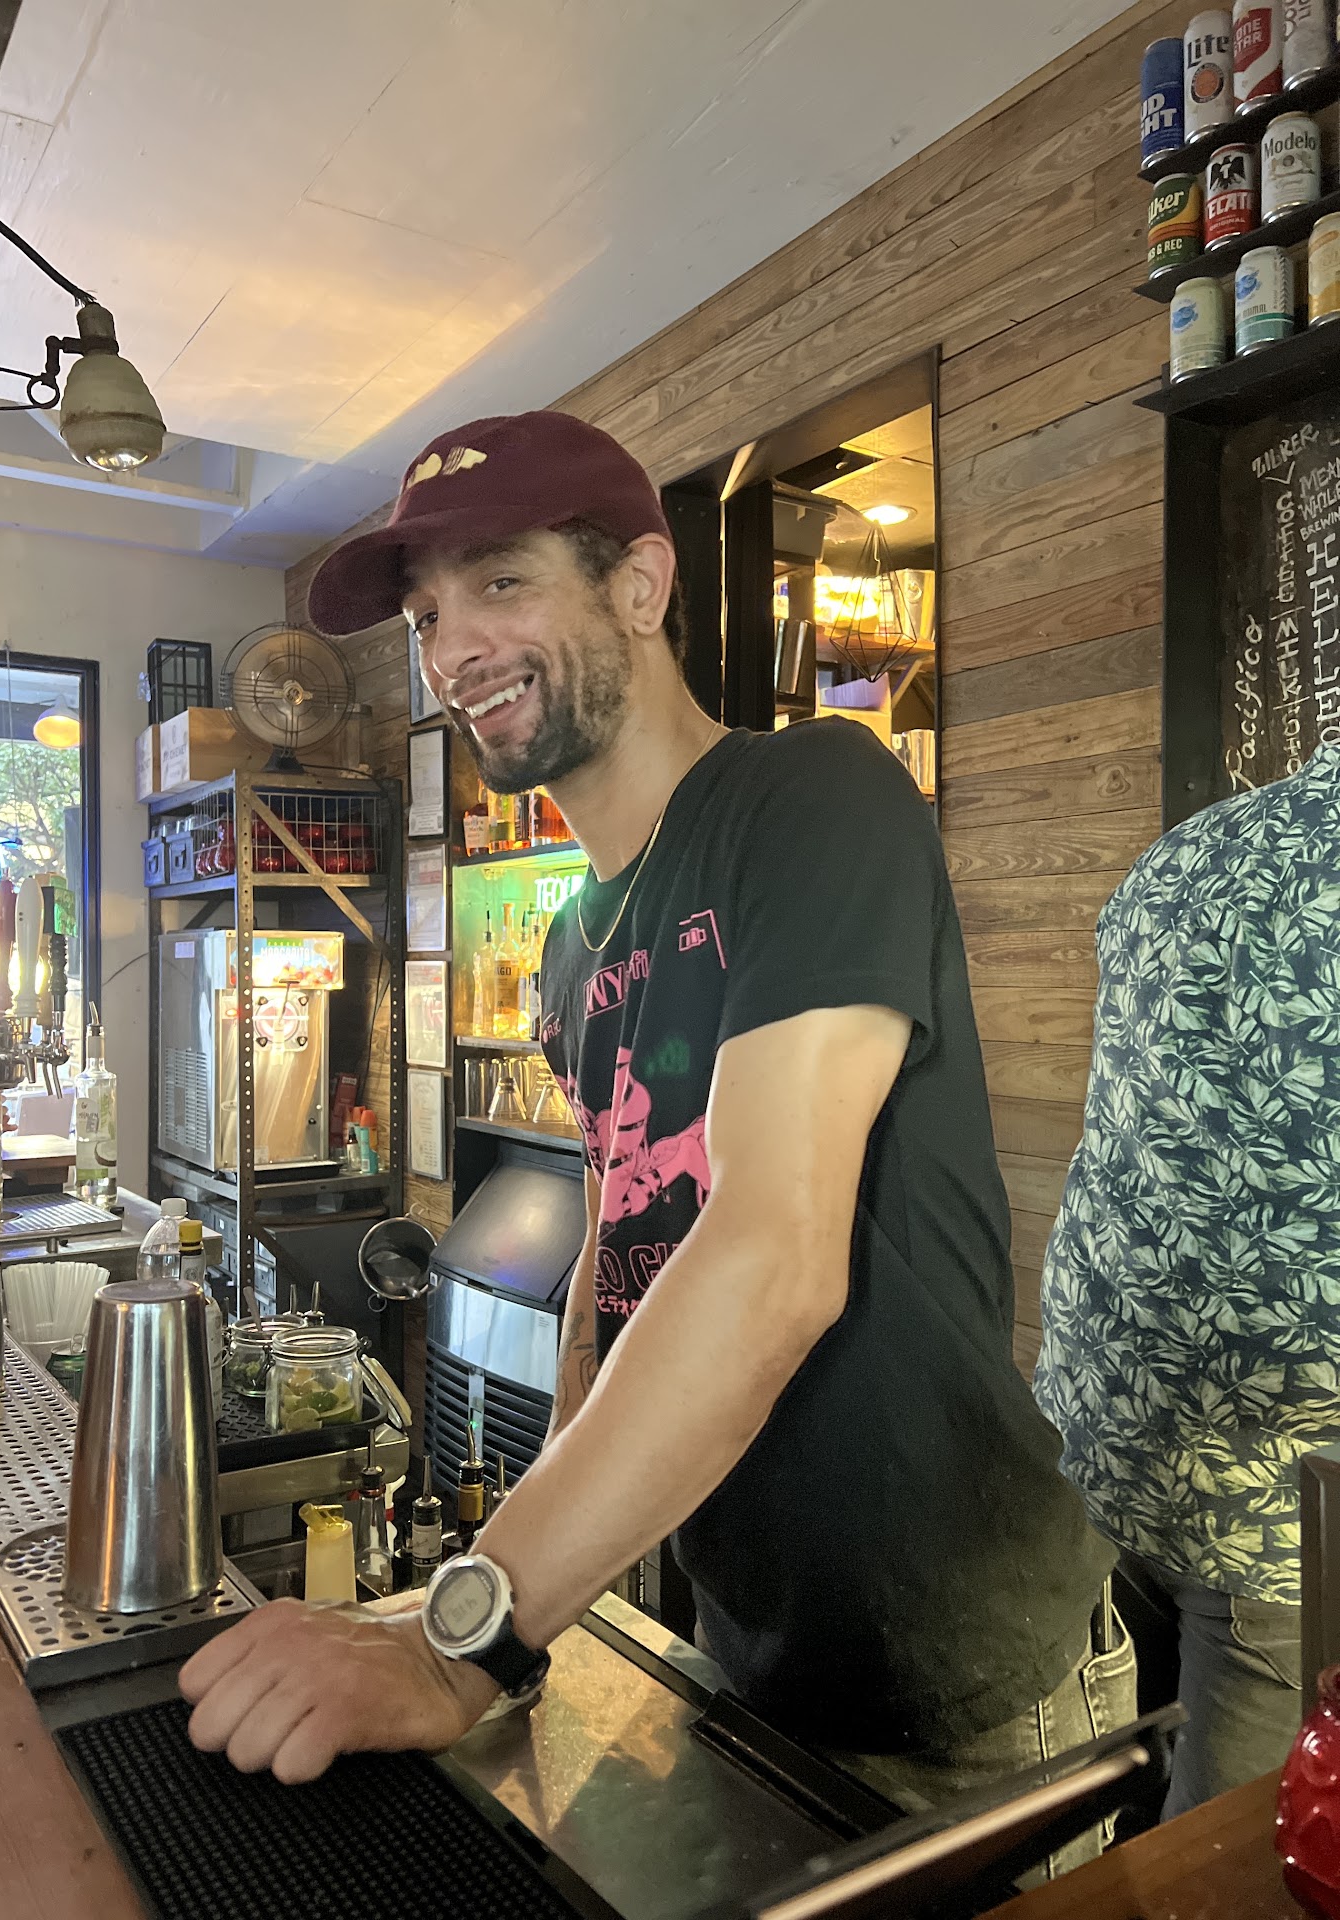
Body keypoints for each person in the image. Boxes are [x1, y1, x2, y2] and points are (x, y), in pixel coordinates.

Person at [180, 412, 1130, 1841]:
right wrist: (535, 1589)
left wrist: (461, 1640)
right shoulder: (573, 946)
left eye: (501, 582)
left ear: (639, 583)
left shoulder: (811, 796)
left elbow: (774, 1253)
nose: (452, 650)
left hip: (960, 1668)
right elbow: (617, 1251)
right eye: (428, 616)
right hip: (746, 1653)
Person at [1035, 746, 1340, 1819]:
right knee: (1218, 1867)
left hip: (1096, 1415)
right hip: (1274, 1496)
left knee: (1092, 1788)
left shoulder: (1179, 855)